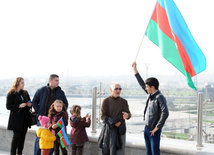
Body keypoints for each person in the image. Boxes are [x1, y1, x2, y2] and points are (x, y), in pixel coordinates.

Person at [132, 62, 169, 155]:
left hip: (154, 130)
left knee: (154, 153)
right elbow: (141, 84)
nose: (146, 88)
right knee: (148, 152)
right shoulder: (150, 95)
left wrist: (157, 128)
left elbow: (165, 112)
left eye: (147, 86)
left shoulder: (159, 97)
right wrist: (135, 70)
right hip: (147, 128)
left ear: (152, 87)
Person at [32, 74, 68, 155]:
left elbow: (65, 104)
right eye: (56, 80)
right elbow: (34, 101)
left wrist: (60, 114)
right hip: (42, 120)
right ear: (50, 81)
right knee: (40, 139)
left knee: (52, 139)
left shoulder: (60, 92)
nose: (58, 82)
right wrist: (39, 113)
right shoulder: (41, 90)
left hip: (54, 120)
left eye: (58, 81)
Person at [99, 83, 131, 155]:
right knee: (108, 151)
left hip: (120, 130)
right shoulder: (106, 101)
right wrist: (114, 122)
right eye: (116, 89)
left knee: (120, 152)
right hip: (109, 131)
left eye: (120, 89)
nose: (118, 90)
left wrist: (127, 115)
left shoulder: (124, 101)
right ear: (111, 90)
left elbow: (129, 114)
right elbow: (102, 116)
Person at [6, 77, 32, 155]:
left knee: (22, 139)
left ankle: (19, 153)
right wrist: (19, 105)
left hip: (25, 119)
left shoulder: (25, 93)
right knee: (16, 138)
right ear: (17, 83)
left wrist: (30, 104)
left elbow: (30, 101)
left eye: (24, 82)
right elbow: (8, 106)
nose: (24, 84)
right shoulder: (11, 93)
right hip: (16, 120)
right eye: (22, 83)